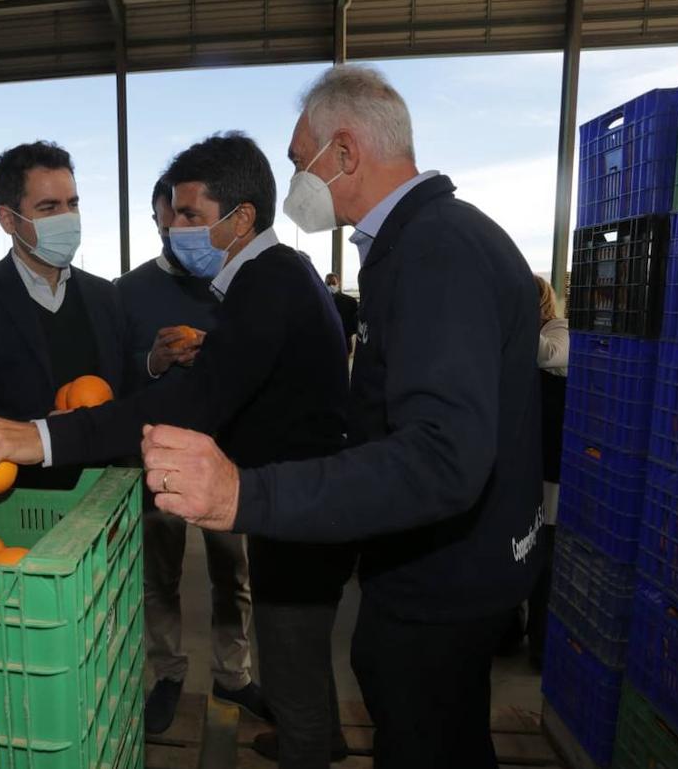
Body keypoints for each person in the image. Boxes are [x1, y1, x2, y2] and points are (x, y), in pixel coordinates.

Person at [137, 66, 543, 769]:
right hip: (451, 562)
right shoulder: (426, 241)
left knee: (424, 733)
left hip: (443, 579)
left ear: (346, 153)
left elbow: (444, 455)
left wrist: (247, 495)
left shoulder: (434, 250)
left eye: (301, 162)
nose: (296, 180)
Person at [0, 133, 354, 767]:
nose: (173, 229)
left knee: (286, 649)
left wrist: (47, 431)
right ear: (9, 219)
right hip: (19, 511)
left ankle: (306, 742)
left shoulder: (247, 284)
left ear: (241, 220)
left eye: (189, 216)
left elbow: (175, 403)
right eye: (49, 207)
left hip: (257, 505)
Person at [116, 176, 260, 735]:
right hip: (155, 462)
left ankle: (234, 673)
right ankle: (169, 672)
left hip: (224, 458)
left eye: (191, 219)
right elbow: (111, 382)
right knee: (159, 578)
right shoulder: (126, 292)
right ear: (155, 221)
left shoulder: (235, 285)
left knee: (233, 574)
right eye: (168, 219)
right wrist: (151, 362)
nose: (179, 230)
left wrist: (216, 352)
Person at [0, 141, 127, 488]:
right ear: (8, 219)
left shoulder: (106, 296)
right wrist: (45, 432)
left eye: (72, 204)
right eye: (49, 207)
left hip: (106, 491)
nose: (67, 218)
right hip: (17, 497)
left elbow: (126, 392)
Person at [531, 274, 568, 669]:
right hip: (525, 462)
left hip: (550, 467)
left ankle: (540, 644)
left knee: (544, 560)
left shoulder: (559, 329)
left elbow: (551, 356)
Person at [325, 272, 358, 353]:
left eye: (333, 283)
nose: (331, 286)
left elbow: (355, 324)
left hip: (344, 341)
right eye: (328, 283)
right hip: (326, 342)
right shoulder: (320, 301)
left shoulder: (350, 302)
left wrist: (346, 331)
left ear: (338, 283)